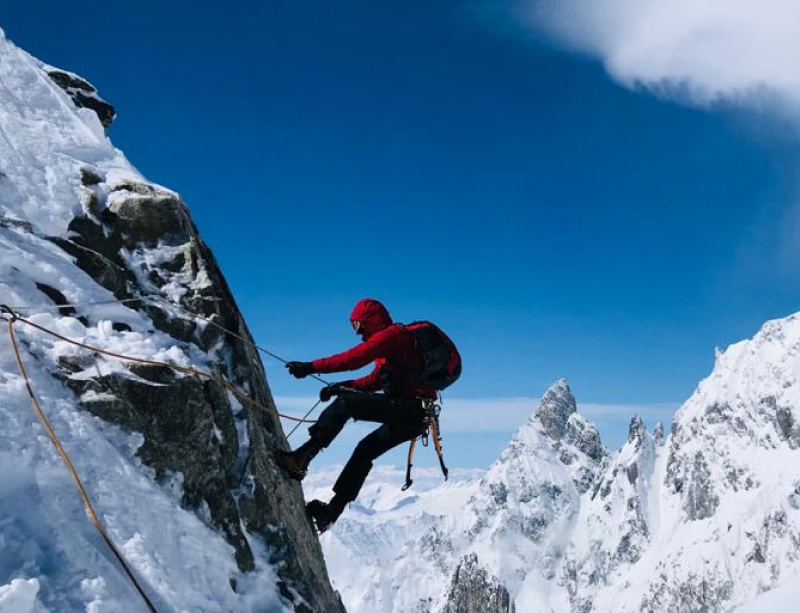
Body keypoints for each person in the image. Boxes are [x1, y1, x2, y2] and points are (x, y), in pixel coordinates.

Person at [278, 298, 458, 533]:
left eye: (359, 327)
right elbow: (375, 380)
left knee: (346, 406)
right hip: (418, 416)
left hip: (410, 409)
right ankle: (331, 513)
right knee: (365, 450)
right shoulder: (395, 346)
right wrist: (342, 386)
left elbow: (353, 359)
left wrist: (311, 367)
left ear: (371, 321)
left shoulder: (391, 336)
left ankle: (302, 457)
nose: (359, 334)